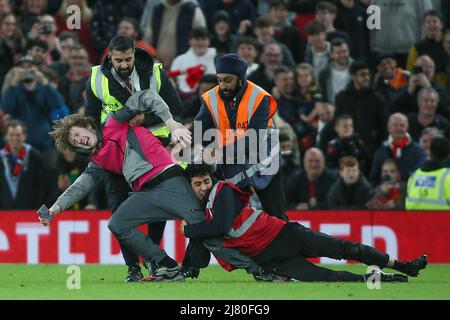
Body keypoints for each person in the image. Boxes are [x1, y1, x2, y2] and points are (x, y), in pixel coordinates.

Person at [42, 90, 262, 282]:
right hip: (146, 193)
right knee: (117, 223)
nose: (79, 140)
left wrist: (170, 121)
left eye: (78, 134)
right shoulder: (97, 160)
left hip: (171, 181)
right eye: (74, 141)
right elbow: (80, 185)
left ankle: (260, 269)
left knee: (210, 235)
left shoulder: (113, 122)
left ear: (88, 126)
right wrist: (55, 208)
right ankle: (167, 265)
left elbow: (146, 95)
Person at [180, 164, 428, 282]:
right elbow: (201, 257)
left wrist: (189, 230)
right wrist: (188, 262)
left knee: (343, 249)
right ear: (190, 187)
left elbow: (221, 227)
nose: (203, 187)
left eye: (205, 181)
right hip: (272, 259)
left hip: (285, 235)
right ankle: (381, 279)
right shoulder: (201, 215)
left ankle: (403, 266)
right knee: (326, 277)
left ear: (211, 180)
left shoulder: (222, 190)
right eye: (197, 184)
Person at [84, 35, 183, 282]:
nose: (124, 64)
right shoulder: (96, 77)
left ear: (134, 53)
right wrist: (96, 139)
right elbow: (91, 117)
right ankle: (132, 268)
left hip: (152, 148)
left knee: (156, 207)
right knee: (119, 209)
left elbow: (176, 109)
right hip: (116, 150)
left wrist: (146, 120)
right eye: (118, 60)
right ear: (110, 56)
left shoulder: (156, 72)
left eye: (128, 59)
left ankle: (152, 258)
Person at [192, 53, 287, 220]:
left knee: (276, 216)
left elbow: (254, 141)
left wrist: (219, 152)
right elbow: (197, 130)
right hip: (234, 161)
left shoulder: (259, 98)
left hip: (264, 160)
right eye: (220, 80)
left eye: (228, 80)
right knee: (232, 215)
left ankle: (286, 244)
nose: (222, 85)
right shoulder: (211, 98)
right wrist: (177, 139)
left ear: (241, 79)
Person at [0, 121, 52, 209]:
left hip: (29, 213)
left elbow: (42, 187)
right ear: (6, 137)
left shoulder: (34, 157)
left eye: (18, 135)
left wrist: (37, 209)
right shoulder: (1, 157)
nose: (15, 138)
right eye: (11, 135)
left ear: (24, 136)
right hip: (4, 214)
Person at [370, 113, 427, 185]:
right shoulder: (380, 151)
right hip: (386, 194)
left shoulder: (418, 151)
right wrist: (380, 190)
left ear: (407, 127)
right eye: (395, 125)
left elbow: (422, 176)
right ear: (388, 127)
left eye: (402, 125)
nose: (398, 128)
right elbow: (374, 179)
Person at [406, 137, 450, 210]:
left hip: (414, 219)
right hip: (441, 220)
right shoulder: (448, 176)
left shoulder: (414, 175)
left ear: (429, 152)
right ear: (447, 155)